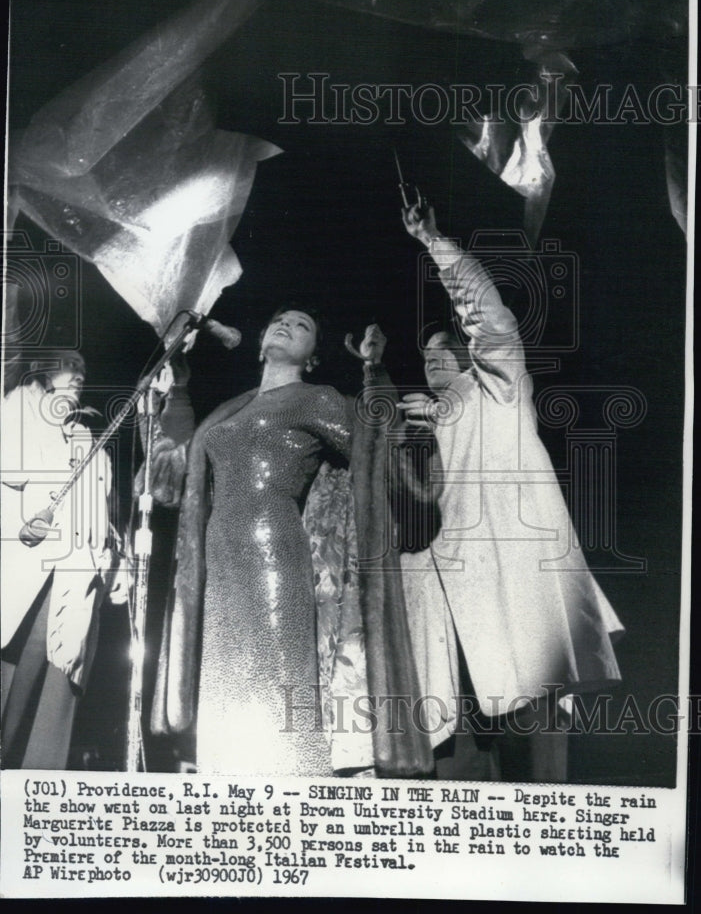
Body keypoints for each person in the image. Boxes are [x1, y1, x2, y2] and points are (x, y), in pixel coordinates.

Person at [148, 307, 432, 777]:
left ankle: (295, 786)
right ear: (260, 343)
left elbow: (374, 446)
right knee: (226, 677)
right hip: (216, 559)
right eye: (280, 321)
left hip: (272, 552)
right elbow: (170, 478)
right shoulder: (228, 409)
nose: (287, 326)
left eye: (302, 326)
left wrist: (373, 371)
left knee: (276, 673)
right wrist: (178, 387)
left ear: (313, 357)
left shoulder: (315, 398)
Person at [396, 205, 624, 782]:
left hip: (519, 595)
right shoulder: (426, 427)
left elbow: (488, 316)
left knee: (538, 765)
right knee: (465, 764)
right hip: (452, 606)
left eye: (445, 350)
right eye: (425, 358)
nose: (433, 361)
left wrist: (434, 241)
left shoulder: (498, 386)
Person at [1, 350, 126, 769]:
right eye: (68, 365)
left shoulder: (92, 444)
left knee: (47, 719)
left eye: (83, 369)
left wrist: (115, 557)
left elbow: (99, 517)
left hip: (71, 587)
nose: (79, 375)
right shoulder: (15, 405)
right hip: (19, 581)